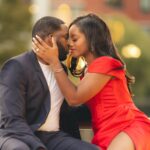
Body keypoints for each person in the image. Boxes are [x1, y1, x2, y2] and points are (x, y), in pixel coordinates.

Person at [32, 13, 150, 150]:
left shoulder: (105, 63)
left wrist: (54, 62)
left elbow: (74, 98)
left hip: (128, 126)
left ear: (91, 39)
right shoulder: (91, 71)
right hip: (106, 132)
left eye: (75, 39)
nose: (69, 43)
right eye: (69, 38)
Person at [0, 16, 99, 150]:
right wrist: (37, 146)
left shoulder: (60, 69)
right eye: (65, 37)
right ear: (50, 39)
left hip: (53, 137)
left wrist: (105, 105)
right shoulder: (17, 66)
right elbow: (12, 119)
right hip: (18, 136)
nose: (70, 43)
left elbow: (67, 110)